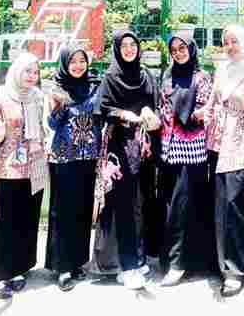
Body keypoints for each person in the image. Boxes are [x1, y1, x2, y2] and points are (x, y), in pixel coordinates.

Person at [91, 31, 161, 290]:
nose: (130, 49)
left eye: (133, 45)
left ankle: (138, 258)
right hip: (119, 149)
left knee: (140, 203)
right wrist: (124, 114)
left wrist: (149, 112)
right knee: (122, 206)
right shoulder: (111, 77)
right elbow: (102, 108)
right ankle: (125, 265)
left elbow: (155, 104)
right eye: (124, 45)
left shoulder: (145, 74)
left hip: (143, 148)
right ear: (117, 49)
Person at [205, 24, 244, 297]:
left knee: (238, 207)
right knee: (221, 206)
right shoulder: (222, 70)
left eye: (235, 41)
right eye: (226, 42)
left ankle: (239, 270)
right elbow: (212, 102)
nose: (230, 47)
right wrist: (204, 114)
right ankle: (222, 264)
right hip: (220, 144)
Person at [0, 52, 48, 299]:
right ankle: (2, 271)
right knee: (7, 220)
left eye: (35, 72)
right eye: (27, 71)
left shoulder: (38, 97)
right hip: (10, 167)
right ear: (16, 71)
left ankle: (21, 266)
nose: (32, 76)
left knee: (28, 217)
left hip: (35, 165)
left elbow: (43, 128)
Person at [45, 45, 102, 292]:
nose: (78, 66)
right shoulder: (57, 88)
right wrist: (58, 107)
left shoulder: (94, 86)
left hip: (88, 157)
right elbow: (52, 123)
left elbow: (101, 115)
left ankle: (77, 261)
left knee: (82, 211)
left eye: (82, 61)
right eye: (73, 61)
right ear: (65, 64)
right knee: (63, 212)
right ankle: (62, 266)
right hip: (64, 158)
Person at [159, 33, 213, 286]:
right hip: (169, 150)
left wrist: (192, 115)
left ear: (191, 49)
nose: (178, 53)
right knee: (171, 206)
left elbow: (202, 110)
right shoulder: (167, 76)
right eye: (174, 50)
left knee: (187, 206)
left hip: (193, 151)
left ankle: (181, 263)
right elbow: (163, 108)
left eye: (183, 48)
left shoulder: (201, 78)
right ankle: (174, 261)